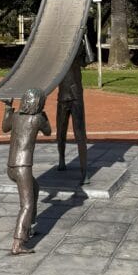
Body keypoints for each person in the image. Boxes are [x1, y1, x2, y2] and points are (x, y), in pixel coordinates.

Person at [2, 87, 51, 255]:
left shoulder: (16, 117)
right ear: (39, 104)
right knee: (27, 205)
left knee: (35, 188)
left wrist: (8, 108)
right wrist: (45, 115)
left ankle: (28, 227)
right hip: (23, 167)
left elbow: (4, 127)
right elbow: (48, 132)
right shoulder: (37, 119)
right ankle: (18, 243)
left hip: (11, 167)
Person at [56, 40, 89, 183]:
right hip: (63, 97)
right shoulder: (58, 56)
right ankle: (61, 159)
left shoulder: (77, 51)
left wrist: (85, 37)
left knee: (80, 134)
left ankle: (84, 171)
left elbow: (90, 59)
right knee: (60, 131)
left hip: (76, 97)